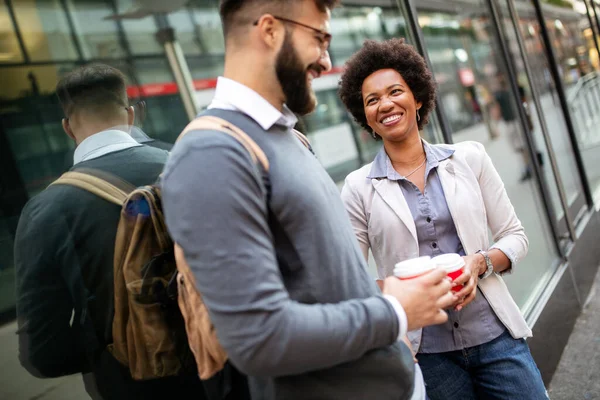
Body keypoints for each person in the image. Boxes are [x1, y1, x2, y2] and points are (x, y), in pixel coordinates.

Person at [161, 1, 457, 399]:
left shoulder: (286, 137)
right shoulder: (211, 153)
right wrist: (394, 312)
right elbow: (259, 339)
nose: (326, 60)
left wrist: (393, 328)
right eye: (319, 38)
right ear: (269, 30)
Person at [338, 38, 549, 400]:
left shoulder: (469, 159)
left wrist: (478, 263)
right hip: (426, 355)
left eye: (394, 92)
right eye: (372, 100)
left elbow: (515, 237)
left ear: (417, 98)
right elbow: (350, 280)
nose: (385, 104)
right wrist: (398, 298)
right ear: (366, 118)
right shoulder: (358, 188)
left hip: (495, 336)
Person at [14, 64, 203, 399]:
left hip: (132, 386)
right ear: (131, 115)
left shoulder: (46, 210)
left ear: (67, 128)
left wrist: (118, 343)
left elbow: (44, 355)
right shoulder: (191, 163)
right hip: (224, 370)